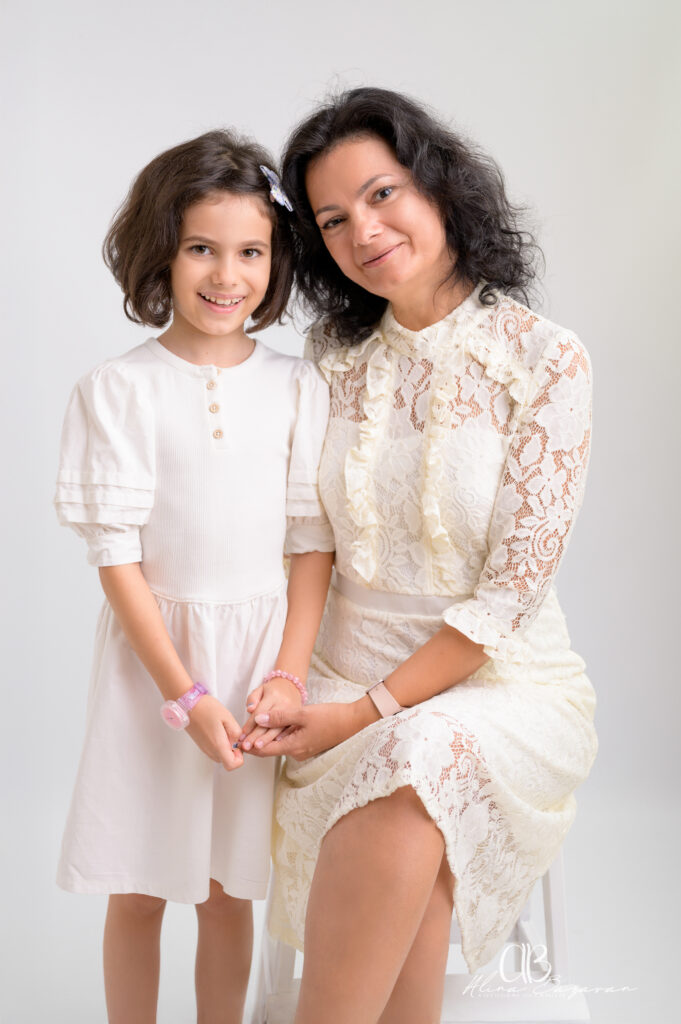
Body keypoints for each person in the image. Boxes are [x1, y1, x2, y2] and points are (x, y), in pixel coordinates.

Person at [238, 88, 598, 1024]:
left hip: (501, 683)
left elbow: (508, 600)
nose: (362, 230)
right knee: (414, 784)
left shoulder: (545, 360)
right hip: (337, 673)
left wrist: (364, 715)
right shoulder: (331, 355)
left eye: (381, 193)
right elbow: (310, 540)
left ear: (437, 185)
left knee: (417, 754)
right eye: (331, 219)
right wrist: (292, 681)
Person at [54, 130, 334, 1024]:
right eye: (201, 249)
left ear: (275, 260)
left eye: (250, 251)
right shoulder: (118, 389)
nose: (227, 274)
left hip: (256, 673)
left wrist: (286, 675)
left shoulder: (298, 386)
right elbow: (117, 559)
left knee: (225, 890)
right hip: (155, 673)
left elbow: (311, 543)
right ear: (162, 254)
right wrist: (184, 695)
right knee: (138, 890)